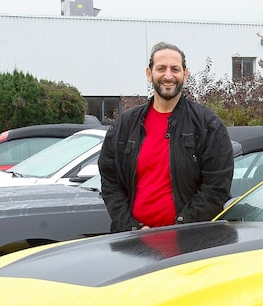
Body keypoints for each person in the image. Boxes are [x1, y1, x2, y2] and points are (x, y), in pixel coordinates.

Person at [98, 42, 233, 232]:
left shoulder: (207, 124)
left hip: (191, 241)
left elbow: (216, 187)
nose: (168, 76)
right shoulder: (125, 125)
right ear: (149, 73)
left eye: (175, 69)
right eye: (161, 68)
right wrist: (132, 227)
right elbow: (110, 182)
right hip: (132, 241)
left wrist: (180, 228)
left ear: (185, 74)